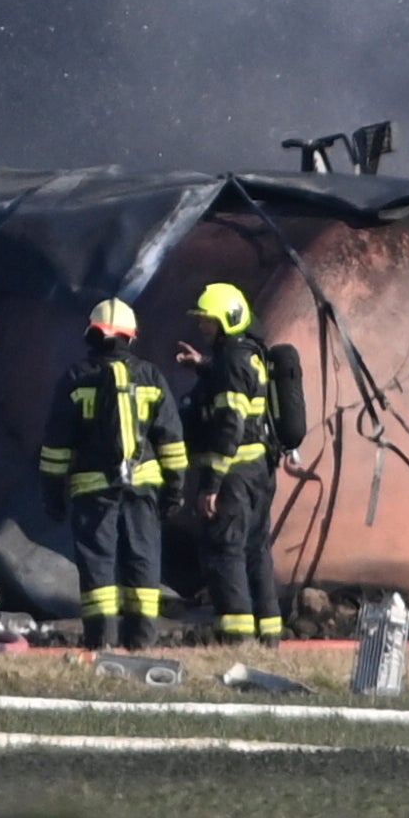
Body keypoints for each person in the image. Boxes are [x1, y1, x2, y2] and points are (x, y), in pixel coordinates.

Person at [38, 296, 175, 654]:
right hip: (143, 488)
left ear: (93, 335)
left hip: (93, 490)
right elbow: (172, 443)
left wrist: (52, 494)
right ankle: (142, 641)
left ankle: (102, 642)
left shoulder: (76, 378)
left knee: (99, 566)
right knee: (142, 562)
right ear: (131, 337)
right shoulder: (151, 376)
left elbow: (56, 446)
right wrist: (174, 491)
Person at [175, 280, 298, 646]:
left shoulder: (232, 362)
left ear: (227, 320)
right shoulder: (248, 355)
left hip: (234, 475)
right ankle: (269, 635)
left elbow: (229, 425)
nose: (203, 328)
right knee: (257, 550)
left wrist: (210, 485)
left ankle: (236, 639)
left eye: (209, 322)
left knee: (226, 550)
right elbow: (236, 384)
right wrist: (202, 366)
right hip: (260, 471)